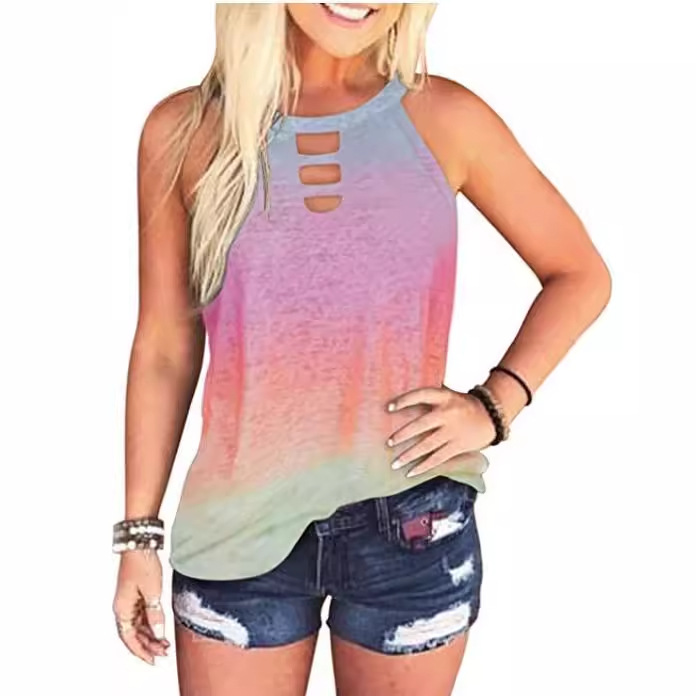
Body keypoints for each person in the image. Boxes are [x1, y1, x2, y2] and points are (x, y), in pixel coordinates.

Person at [112, 4, 612, 695]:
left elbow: (580, 274)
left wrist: (495, 405)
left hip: (412, 523)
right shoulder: (185, 131)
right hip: (236, 530)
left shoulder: (445, 118)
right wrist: (138, 535)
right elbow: (166, 345)